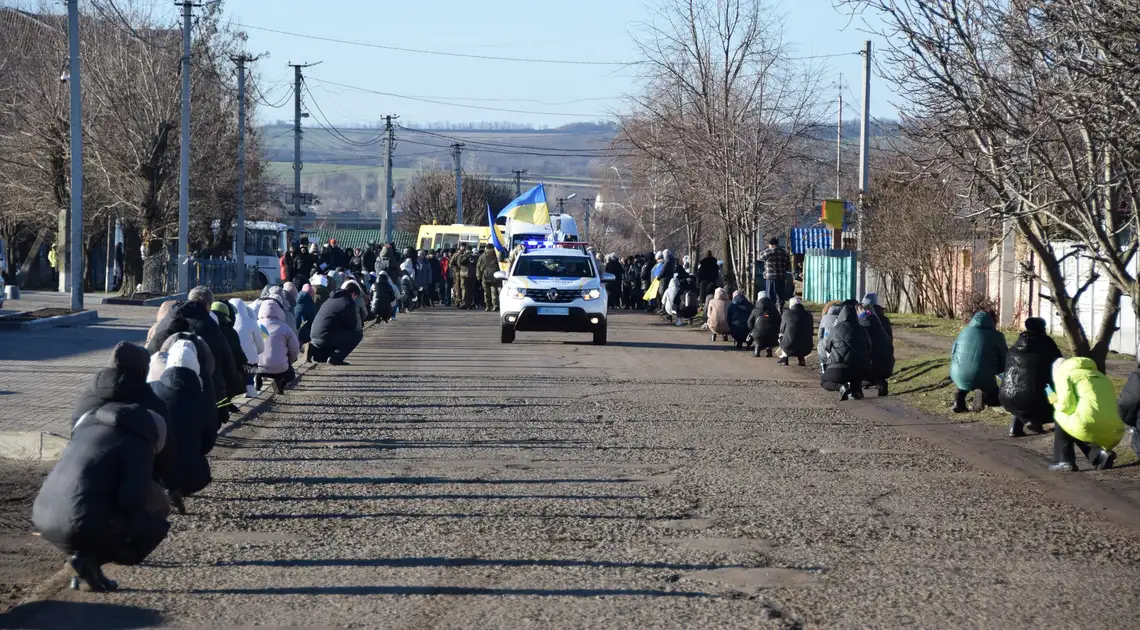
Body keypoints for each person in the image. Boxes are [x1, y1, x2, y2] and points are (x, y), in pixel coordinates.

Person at [33, 343, 171, 592]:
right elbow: (132, 498)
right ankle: (91, 559)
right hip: (86, 516)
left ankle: (84, 566)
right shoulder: (147, 413)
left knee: (92, 500)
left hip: (44, 512)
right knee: (153, 514)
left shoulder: (87, 400)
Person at [146, 288, 243, 425]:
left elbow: (151, 350)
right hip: (196, 388)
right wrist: (225, 398)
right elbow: (223, 363)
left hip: (160, 385)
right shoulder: (208, 326)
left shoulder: (168, 318)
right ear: (208, 304)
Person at [148, 339, 217, 513]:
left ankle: (156, 492)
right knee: (201, 475)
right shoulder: (204, 399)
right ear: (196, 366)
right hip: (191, 470)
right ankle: (177, 490)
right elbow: (209, 440)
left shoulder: (151, 390)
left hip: (153, 468)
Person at [1049, 357, 1126, 472]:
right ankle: (1100, 455)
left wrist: (1052, 397)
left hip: (1090, 424)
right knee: (1078, 423)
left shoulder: (1064, 375)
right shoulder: (1099, 375)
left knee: (1061, 416)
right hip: (1116, 429)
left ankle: (1063, 460)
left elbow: (1064, 406)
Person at [1000, 317, 1063, 437]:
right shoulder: (1047, 345)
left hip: (1007, 395)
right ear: (1042, 329)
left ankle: (1016, 427)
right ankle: (1037, 422)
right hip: (1038, 394)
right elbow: (1060, 363)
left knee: (1022, 391)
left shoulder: (1014, 348)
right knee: (1052, 395)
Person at [950, 311, 1008, 413]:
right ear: (993, 321)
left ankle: (958, 401)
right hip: (983, 375)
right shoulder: (997, 336)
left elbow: (953, 352)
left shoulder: (963, 332)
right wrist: (999, 371)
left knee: (965, 379)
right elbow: (1005, 358)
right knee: (993, 392)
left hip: (957, 374)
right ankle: (985, 397)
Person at [820, 302, 872, 400]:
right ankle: (855, 391)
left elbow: (827, 346)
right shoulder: (862, 329)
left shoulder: (835, 329)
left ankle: (841, 387)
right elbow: (869, 347)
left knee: (824, 381)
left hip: (838, 368)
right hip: (860, 369)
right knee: (856, 377)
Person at [309, 283, 363, 365]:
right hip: (325, 337)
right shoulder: (348, 302)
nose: (355, 299)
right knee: (357, 335)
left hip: (314, 336)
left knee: (334, 332)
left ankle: (319, 355)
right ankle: (336, 358)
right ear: (353, 294)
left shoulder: (330, 299)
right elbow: (352, 325)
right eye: (356, 297)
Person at [256, 298, 300, 393]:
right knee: (290, 375)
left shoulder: (255, 326)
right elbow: (295, 349)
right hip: (279, 367)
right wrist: (289, 361)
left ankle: (257, 380)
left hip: (257, 366)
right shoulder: (285, 328)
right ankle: (280, 382)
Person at [227, 298, 263, 398]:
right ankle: (250, 386)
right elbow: (260, 344)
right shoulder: (251, 323)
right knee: (250, 364)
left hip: (233, 362)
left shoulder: (227, 326)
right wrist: (258, 352)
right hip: (249, 362)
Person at [859, 301, 895, 396]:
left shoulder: (860, 327)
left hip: (868, 369)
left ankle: (857, 387)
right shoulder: (881, 327)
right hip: (887, 367)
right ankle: (880, 381)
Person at [778, 296, 814, 366]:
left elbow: (781, 330)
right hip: (807, 347)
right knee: (802, 335)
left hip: (789, 346)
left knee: (781, 335)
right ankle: (801, 360)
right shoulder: (809, 315)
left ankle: (784, 358)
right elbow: (811, 331)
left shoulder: (787, 314)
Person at [757, 238, 790, 310]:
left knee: (771, 295)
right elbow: (788, 266)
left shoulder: (769, 252)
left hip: (771, 277)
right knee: (780, 295)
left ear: (771, 245)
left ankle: (771, 311)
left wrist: (768, 249)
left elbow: (760, 255)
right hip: (781, 277)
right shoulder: (784, 253)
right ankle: (780, 308)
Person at [748, 291, 781, 357]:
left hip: (758, 335)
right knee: (769, 334)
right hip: (773, 336)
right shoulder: (775, 310)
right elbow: (779, 321)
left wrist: (753, 329)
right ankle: (769, 348)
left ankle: (757, 348)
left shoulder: (755, 310)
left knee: (758, 335)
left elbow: (749, 323)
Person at [477, 245, 501, 312]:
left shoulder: (482, 257)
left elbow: (478, 267)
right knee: (494, 292)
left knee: (486, 293)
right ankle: (495, 305)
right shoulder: (496, 255)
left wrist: (479, 277)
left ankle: (488, 306)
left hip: (485, 276)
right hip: (494, 277)